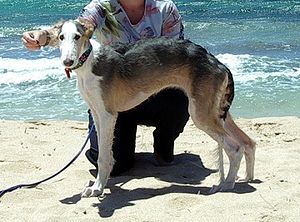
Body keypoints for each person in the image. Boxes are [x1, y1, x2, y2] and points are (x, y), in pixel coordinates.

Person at [22, 0, 189, 176]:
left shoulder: (165, 8)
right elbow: (76, 29)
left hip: (155, 92)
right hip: (113, 96)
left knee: (179, 99)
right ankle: (118, 144)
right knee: (117, 166)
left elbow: (176, 53)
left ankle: (163, 144)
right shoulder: (102, 6)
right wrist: (44, 36)